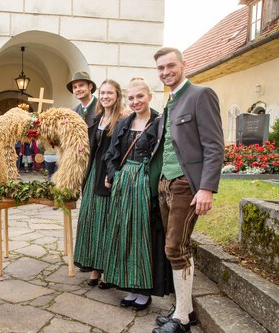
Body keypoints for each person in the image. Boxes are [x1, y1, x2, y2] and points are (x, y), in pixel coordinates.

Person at [151, 47, 224, 333]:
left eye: (170, 66)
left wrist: (206, 187)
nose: (165, 72)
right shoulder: (170, 101)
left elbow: (214, 145)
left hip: (186, 183)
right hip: (165, 183)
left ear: (183, 65)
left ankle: (181, 319)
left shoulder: (200, 95)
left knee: (175, 247)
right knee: (176, 247)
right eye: (160, 68)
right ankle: (186, 310)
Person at [103, 77, 173, 312]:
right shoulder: (124, 124)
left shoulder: (159, 123)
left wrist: (153, 182)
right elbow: (111, 154)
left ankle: (145, 290)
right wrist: (114, 175)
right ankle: (131, 285)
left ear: (149, 96)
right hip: (124, 187)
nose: (135, 101)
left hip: (146, 187)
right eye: (131, 97)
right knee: (125, 234)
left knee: (146, 236)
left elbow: (164, 156)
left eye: (140, 96)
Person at [74, 79, 127, 288]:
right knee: (92, 221)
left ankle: (107, 270)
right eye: (103, 93)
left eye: (110, 93)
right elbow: (92, 146)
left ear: (117, 95)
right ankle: (94, 267)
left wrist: (114, 175)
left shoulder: (123, 118)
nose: (105, 96)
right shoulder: (98, 118)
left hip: (108, 174)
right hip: (94, 173)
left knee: (107, 223)